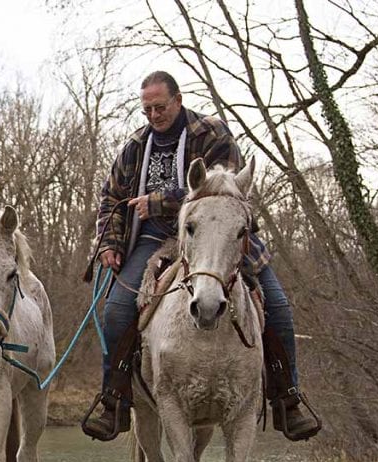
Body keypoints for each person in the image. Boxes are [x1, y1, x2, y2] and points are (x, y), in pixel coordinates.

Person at [82, 71, 320, 442]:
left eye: (160, 107)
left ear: (178, 100)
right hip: (154, 237)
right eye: (147, 109)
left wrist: (158, 200)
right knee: (115, 310)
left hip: (217, 233)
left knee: (277, 306)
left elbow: (224, 188)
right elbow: (111, 198)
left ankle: (287, 399)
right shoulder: (135, 145)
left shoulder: (212, 132)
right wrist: (109, 243)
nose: (154, 115)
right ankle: (114, 399)